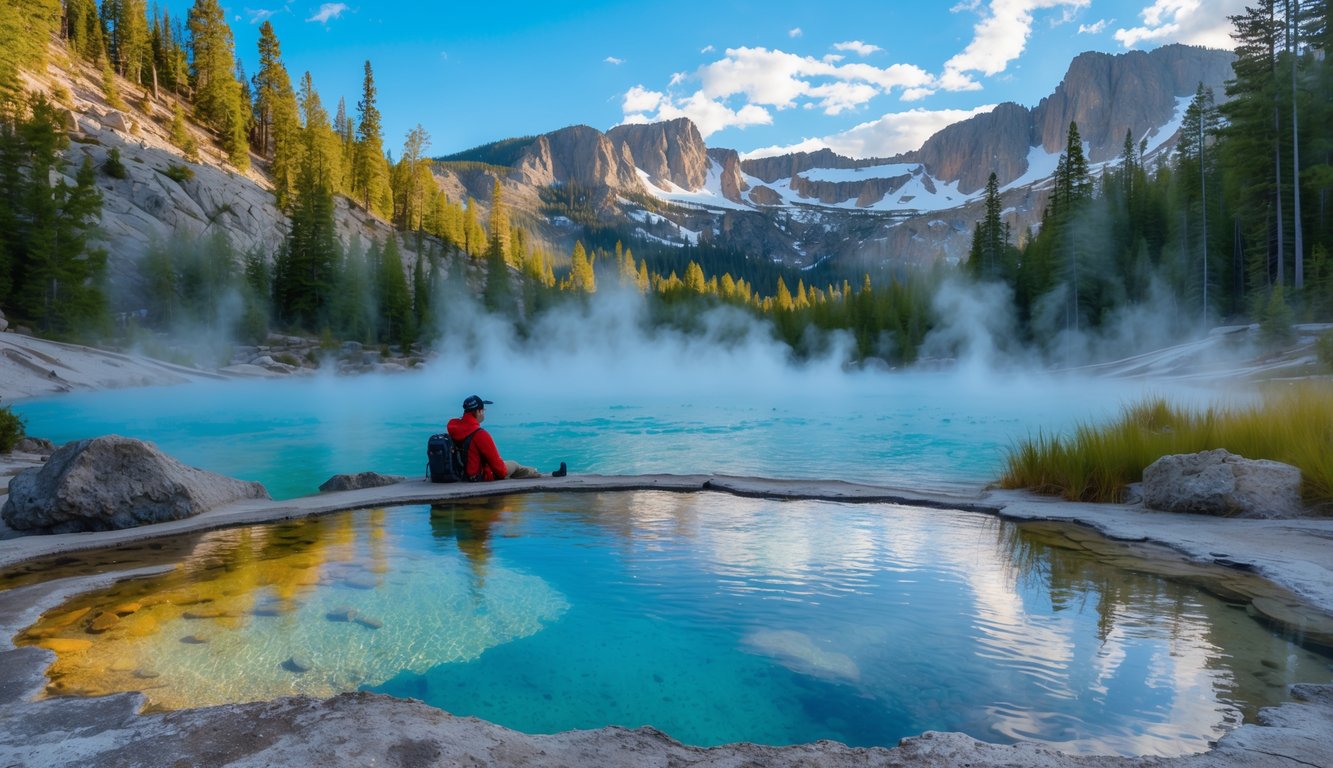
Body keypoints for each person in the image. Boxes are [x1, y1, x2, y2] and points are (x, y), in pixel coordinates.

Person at [446, 395, 566, 480]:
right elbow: (501, 471)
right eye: (483, 410)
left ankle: (539, 474)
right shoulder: (480, 434)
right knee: (514, 465)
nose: (484, 413)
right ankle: (545, 475)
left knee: (513, 468)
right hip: (477, 476)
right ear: (478, 411)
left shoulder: (453, 427)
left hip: (460, 474)